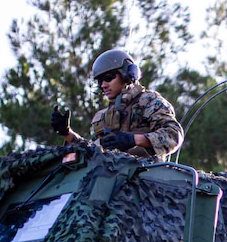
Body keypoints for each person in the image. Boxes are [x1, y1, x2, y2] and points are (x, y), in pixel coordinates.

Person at [51, 49, 184, 161]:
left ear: (127, 75)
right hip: (112, 179)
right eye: (100, 81)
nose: (103, 85)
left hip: (146, 178)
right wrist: (67, 133)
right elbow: (92, 151)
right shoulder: (104, 115)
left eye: (108, 78)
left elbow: (173, 135)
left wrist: (134, 140)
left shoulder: (148, 101)